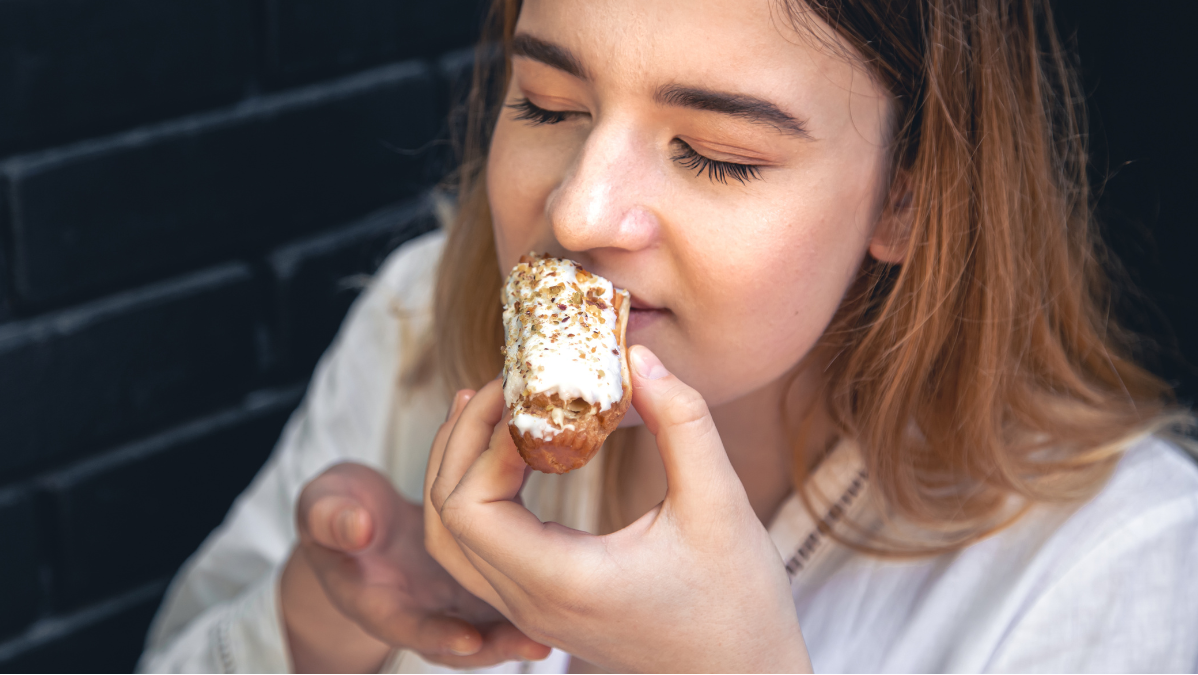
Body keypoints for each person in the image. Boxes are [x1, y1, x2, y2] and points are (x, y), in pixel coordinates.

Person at [138, 0, 1198, 672]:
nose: (579, 212)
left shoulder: (1119, 568)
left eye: (719, 154)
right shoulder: (425, 325)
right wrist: (323, 629)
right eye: (549, 104)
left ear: (909, 199)